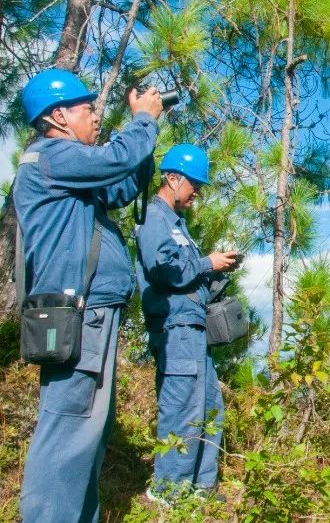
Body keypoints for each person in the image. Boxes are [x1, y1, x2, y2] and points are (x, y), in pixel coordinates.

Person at [15, 69, 163, 522]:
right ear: (58, 116)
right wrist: (143, 121)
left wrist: (143, 145)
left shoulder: (68, 169)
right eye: (87, 109)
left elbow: (118, 184)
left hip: (90, 313)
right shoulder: (50, 157)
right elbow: (113, 161)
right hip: (80, 314)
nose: (96, 117)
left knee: (90, 429)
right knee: (70, 426)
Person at [135, 144, 240, 501]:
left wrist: (217, 270)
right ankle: (169, 493)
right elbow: (164, 271)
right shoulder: (154, 218)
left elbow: (186, 277)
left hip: (195, 333)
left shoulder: (177, 225)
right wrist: (207, 263)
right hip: (174, 332)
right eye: (193, 183)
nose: (197, 191)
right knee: (182, 410)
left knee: (209, 407)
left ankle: (200, 489)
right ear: (172, 177)